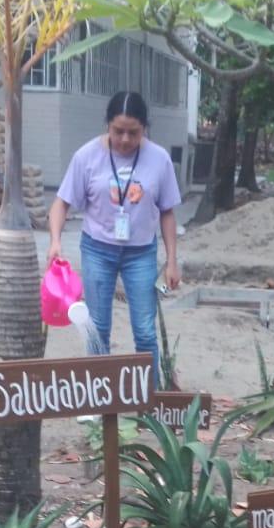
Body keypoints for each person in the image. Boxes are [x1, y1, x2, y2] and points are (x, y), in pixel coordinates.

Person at [48, 91, 182, 383]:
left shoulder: (159, 160)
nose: (124, 139)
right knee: (97, 327)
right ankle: (99, 399)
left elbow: (168, 213)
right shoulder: (86, 157)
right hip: (97, 249)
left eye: (133, 133)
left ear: (145, 128)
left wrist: (172, 261)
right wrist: (55, 241)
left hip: (141, 253)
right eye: (117, 131)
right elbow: (61, 203)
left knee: (145, 330)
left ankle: (149, 400)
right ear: (107, 125)